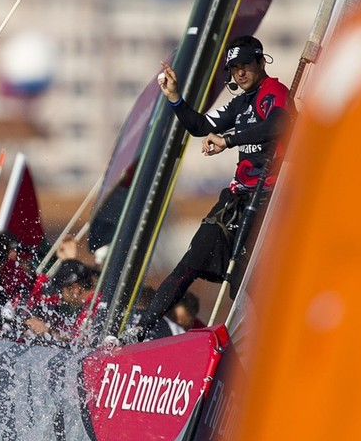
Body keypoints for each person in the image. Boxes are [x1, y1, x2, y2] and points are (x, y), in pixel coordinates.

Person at [129, 35, 294, 340]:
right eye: (234, 69)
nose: (240, 73)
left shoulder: (275, 92)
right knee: (189, 264)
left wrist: (228, 140)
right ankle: (138, 332)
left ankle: (276, 346)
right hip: (235, 201)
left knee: (246, 283)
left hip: (268, 202)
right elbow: (201, 126)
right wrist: (175, 99)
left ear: (261, 62)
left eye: (246, 66)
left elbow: (278, 124)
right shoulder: (241, 102)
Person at [25, 259, 101, 344]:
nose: (59, 297)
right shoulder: (94, 303)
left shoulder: (94, 309)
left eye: (61, 291)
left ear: (75, 289)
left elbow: (79, 344)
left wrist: (48, 332)